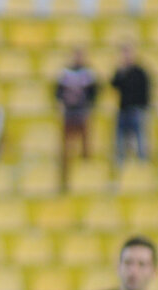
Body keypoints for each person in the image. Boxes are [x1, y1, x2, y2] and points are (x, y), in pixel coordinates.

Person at [56, 48, 99, 190]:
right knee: (66, 148)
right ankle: (64, 179)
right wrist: (61, 103)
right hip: (69, 114)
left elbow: (95, 92)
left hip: (82, 113)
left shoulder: (88, 73)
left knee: (85, 146)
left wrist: (90, 106)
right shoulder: (65, 73)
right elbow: (57, 92)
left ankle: (87, 178)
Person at [111, 43, 152, 164]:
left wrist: (144, 107)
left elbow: (146, 90)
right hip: (123, 109)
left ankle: (142, 163)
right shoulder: (121, 71)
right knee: (120, 140)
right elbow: (114, 85)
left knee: (140, 139)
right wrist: (120, 71)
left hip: (137, 110)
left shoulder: (140, 72)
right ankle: (120, 164)